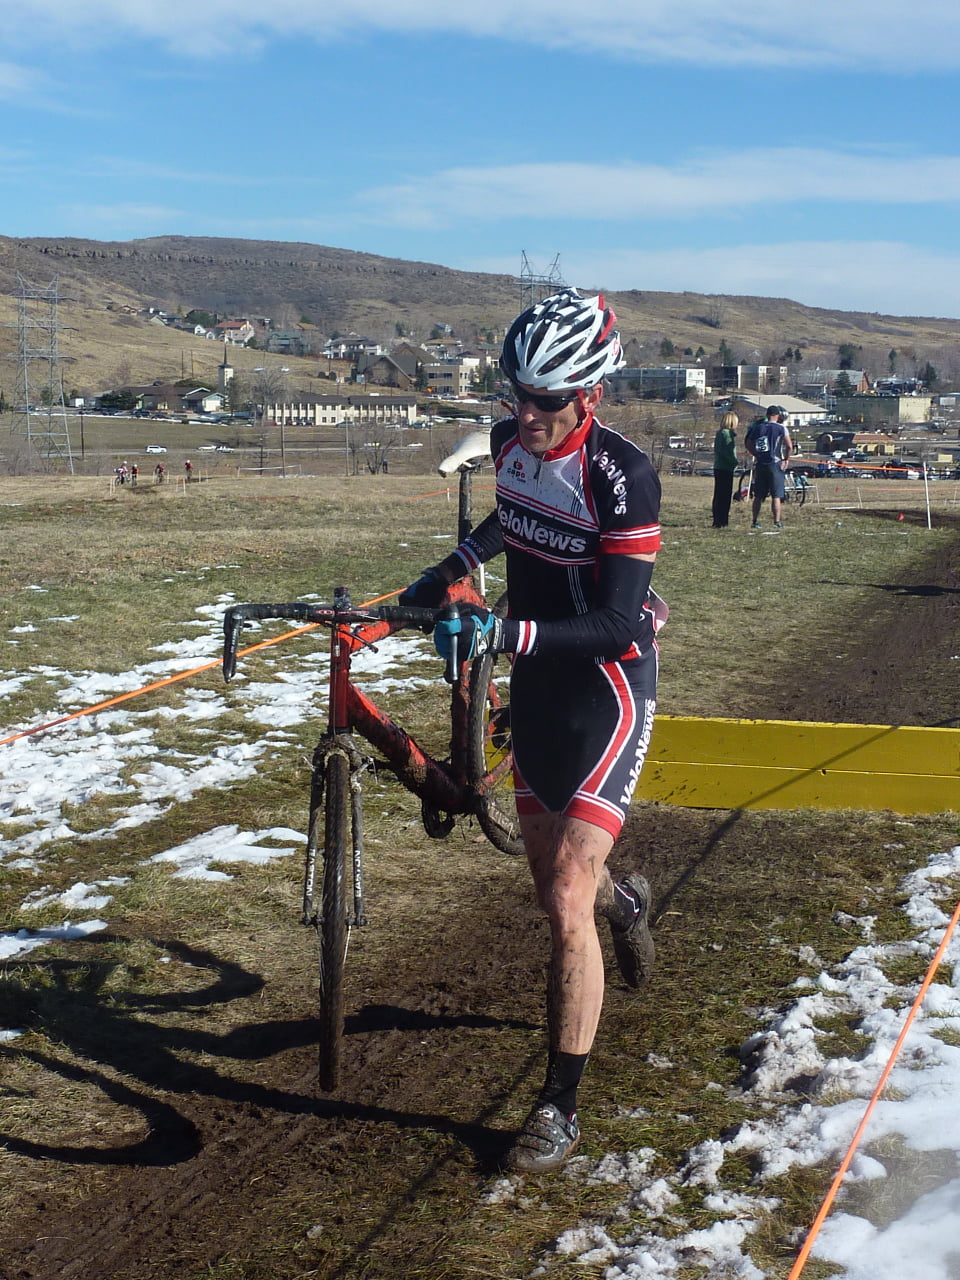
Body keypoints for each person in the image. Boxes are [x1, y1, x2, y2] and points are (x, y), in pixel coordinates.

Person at [399, 289, 666, 1173]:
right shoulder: (515, 445)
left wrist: (503, 631)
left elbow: (623, 624)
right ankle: (624, 902)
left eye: (547, 399)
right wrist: (453, 569)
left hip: (607, 690)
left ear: (588, 395)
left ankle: (559, 1109)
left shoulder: (624, 474)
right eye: (517, 393)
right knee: (558, 885)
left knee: (560, 899)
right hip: (539, 685)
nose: (527, 413)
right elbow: (507, 519)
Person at [745, 405, 792, 529]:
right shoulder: (781, 428)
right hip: (775, 463)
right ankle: (777, 522)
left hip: (761, 463)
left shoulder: (759, 428)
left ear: (767, 415)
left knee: (758, 496)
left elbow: (749, 443)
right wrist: (786, 459)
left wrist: (755, 453)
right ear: (778, 416)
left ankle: (755, 521)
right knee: (776, 495)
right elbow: (789, 446)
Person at [711, 411, 739, 528]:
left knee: (718, 494)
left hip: (718, 466)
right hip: (725, 467)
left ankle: (717, 519)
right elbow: (728, 452)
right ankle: (722, 520)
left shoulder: (719, 433)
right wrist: (735, 463)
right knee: (725, 495)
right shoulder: (727, 435)